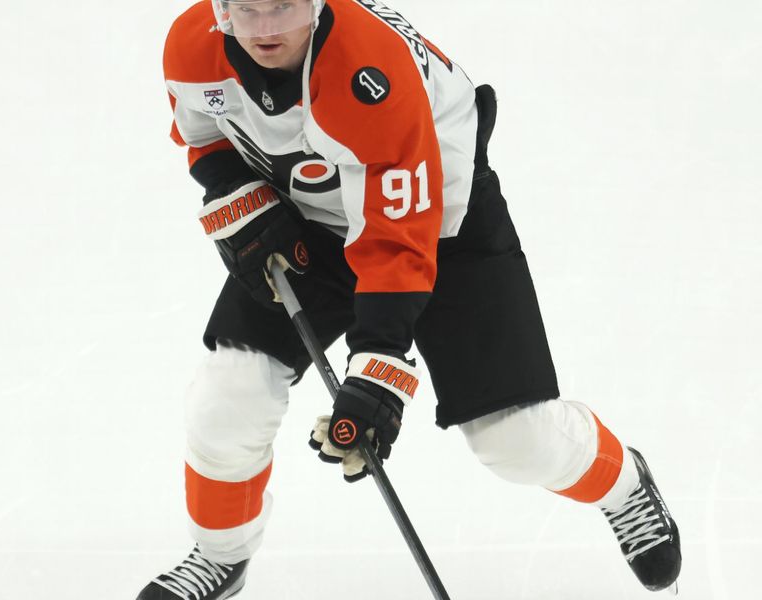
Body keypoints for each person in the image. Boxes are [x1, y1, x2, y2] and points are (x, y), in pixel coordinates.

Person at [137, 1, 682, 598]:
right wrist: (234, 190)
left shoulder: (368, 75)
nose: (265, 29)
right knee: (228, 394)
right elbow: (205, 135)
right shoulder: (192, 45)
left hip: (443, 223)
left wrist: (376, 368)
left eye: (284, 6)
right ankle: (222, 556)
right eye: (247, 8)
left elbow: (398, 236)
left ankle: (623, 481)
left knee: (515, 442)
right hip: (314, 217)